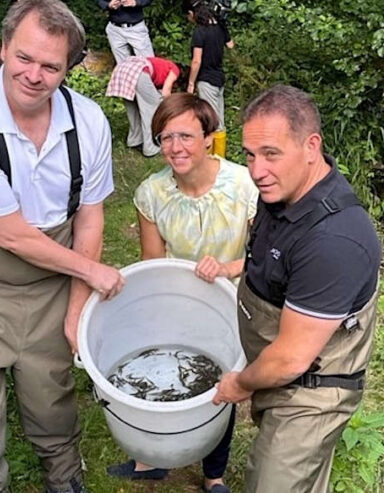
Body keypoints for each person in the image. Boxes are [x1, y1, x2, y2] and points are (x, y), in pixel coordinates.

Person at [0, 1, 125, 492]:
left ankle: (63, 478)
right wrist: (96, 274)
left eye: (50, 66)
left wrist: (76, 305)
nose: (33, 75)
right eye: (24, 58)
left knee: (52, 401)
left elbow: (91, 217)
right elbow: (11, 234)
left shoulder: (89, 122)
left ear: (68, 69)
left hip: (53, 287)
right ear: (2, 49)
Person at [213, 85, 382, 492]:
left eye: (271, 153)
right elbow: (277, 264)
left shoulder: (334, 240)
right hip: (275, 376)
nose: (256, 170)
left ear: (311, 146)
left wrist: (239, 384)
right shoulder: (283, 192)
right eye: (250, 155)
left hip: (308, 393)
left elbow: (290, 359)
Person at [106, 93, 258, 493]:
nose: (175, 147)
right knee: (169, 372)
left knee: (221, 386)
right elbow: (152, 262)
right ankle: (153, 458)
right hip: (177, 298)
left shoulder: (244, 186)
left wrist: (226, 268)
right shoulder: (152, 193)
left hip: (232, 302)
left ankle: (214, 475)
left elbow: (265, 258)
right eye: (166, 137)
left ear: (209, 137)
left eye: (186, 136)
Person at [106, 55, 183, 157]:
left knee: (133, 108)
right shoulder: (175, 69)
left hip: (123, 69)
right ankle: (151, 148)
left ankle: (134, 140)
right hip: (138, 72)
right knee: (153, 110)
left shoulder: (163, 66)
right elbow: (165, 93)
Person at [185, 0, 234, 157]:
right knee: (219, 120)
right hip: (219, 78)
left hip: (206, 80)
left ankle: (215, 159)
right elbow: (231, 45)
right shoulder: (219, 27)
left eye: (188, 16)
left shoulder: (200, 31)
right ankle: (218, 157)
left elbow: (196, 61)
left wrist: (191, 83)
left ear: (193, 14)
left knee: (213, 122)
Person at [97, 0, 154, 65]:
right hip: (114, 29)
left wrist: (135, 2)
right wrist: (108, 5)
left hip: (136, 28)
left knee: (148, 63)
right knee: (122, 65)